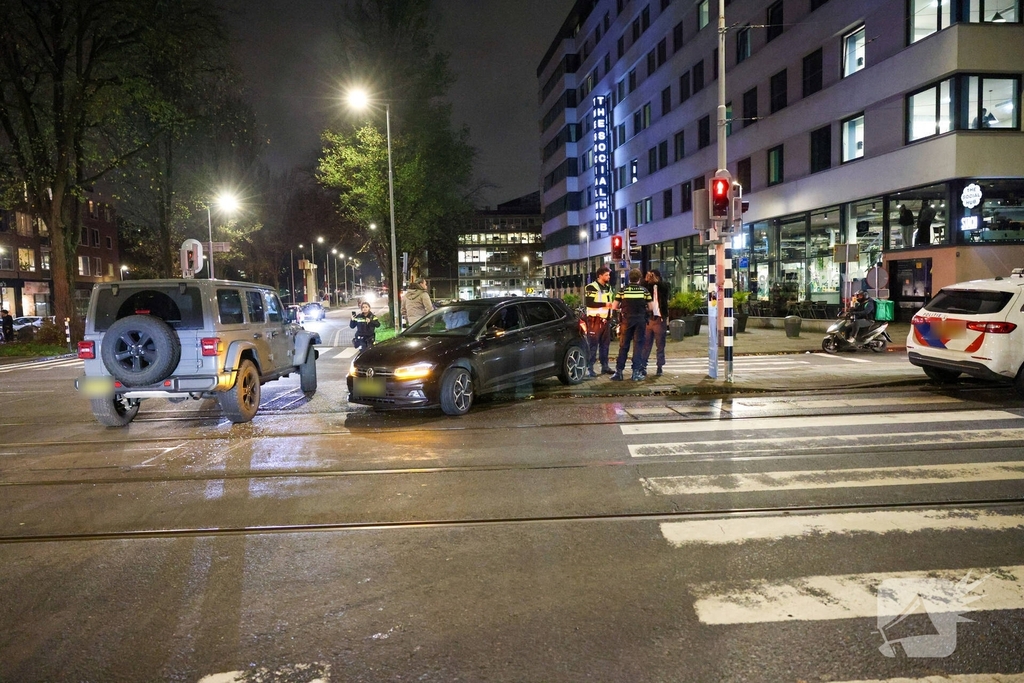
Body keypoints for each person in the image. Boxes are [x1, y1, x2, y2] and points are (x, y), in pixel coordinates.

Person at [610, 268, 652, 382]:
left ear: (629, 278)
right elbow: (651, 307)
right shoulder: (644, 291)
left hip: (626, 321)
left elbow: (614, 306)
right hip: (640, 321)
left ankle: (619, 372)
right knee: (638, 346)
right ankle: (636, 373)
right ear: (639, 279)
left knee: (623, 346)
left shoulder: (623, 291)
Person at [584, 266, 616, 377]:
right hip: (595, 320)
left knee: (605, 345)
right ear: (600, 275)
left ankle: (605, 366)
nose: (609, 277)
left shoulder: (608, 287)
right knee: (593, 345)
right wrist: (605, 305)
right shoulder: (591, 287)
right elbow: (589, 303)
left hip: (606, 320)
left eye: (609, 275)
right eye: (606, 275)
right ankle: (589, 368)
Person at [640, 269, 669, 377]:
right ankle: (643, 366)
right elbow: (642, 289)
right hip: (649, 319)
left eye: (653, 276)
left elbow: (665, 288)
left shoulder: (663, 286)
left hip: (659, 319)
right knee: (646, 344)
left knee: (660, 344)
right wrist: (646, 280)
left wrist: (657, 281)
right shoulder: (647, 288)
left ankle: (659, 366)